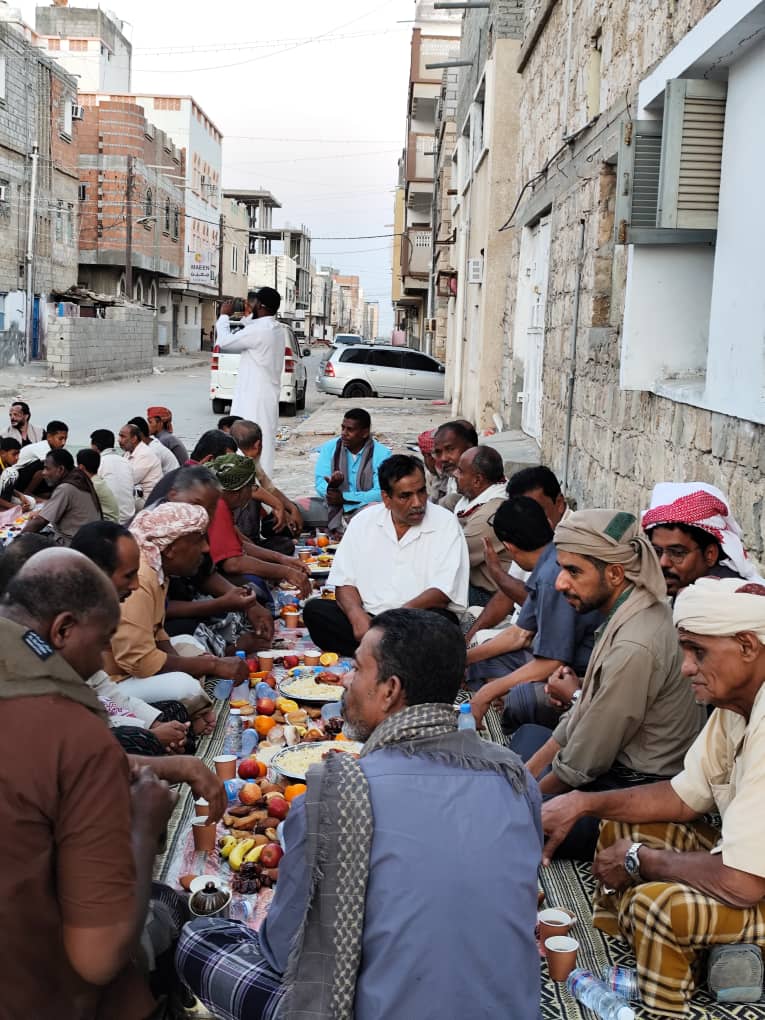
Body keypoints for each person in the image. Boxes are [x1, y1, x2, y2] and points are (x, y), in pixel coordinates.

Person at [177, 609, 543, 1020]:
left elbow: (283, 953)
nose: (347, 678)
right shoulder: (513, 775)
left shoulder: (336, 791)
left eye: (359, 668)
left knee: (199, 937)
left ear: (389, 690)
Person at [542, 578, 765, 1016]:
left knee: (656, 904)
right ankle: (714, 958)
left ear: (746, 646)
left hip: (751, 882)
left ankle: (665, 999)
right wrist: (583, 803)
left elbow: (743, 882)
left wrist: (640, 859)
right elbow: (684, 797)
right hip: (747, 867)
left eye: (697, 651)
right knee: (621, 827)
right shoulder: (735, 705)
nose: (684, 668)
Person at [0, 547, 177, 1019]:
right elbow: (97, 956)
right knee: (158, 928)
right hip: (35, 994)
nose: (102, 660)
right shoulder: (71, 732)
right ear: (61, 630)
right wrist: (143, 828)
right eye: (101, 643)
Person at [515, 509, 706, 860]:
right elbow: (581, 714)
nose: (560, 583)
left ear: (616, 573)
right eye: (561, 568)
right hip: (608, 767)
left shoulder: (636, 644)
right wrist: (523, 779)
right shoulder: (629, 610)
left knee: (511, 824)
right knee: (528, 739)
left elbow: (585, 759)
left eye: (573, 571)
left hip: (635, 788)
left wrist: (521, 802)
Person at [303, 454, 470, 655]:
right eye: (405, 496)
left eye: (421, 492)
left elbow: (442, 594)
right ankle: (388, 654)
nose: (418, 503)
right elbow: (344, 582)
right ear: (386, 498)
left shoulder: (445, 524)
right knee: (316, 612)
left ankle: (376, 652)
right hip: (369, 619)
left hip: (417, 618)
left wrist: (391, 621)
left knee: (440, 628)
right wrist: (357, 616)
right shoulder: (363, 522)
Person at [102, 502, 247, 731]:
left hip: (133, 667)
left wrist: (199, 664)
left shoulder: (158, 570)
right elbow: (139, 661)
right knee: (184, 687)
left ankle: (193, 706)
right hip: (113, 683)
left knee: (189, 644)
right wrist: (211, 665)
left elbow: (157, 631)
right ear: (169, 549)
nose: (206, 548)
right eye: (198, 540)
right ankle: (186, 712)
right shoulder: (141, 577)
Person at [467, 497, 600, 731]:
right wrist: (464, 658)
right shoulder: (548, 561)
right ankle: (504, 696)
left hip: (579, 672)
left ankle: (508, 702)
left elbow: (552, 662)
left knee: (522, 699)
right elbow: (519, 634)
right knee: (481, 660)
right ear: (549, 524)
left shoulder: (553, 576)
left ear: (509, 547)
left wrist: (488, 693)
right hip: (553, 658)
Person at [72, 521, 196, 757]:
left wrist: (155, 724)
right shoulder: (70, 624)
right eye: (128, 575)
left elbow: (103, 687)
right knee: (139, 739)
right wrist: (148, 732)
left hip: (103, 705)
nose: (136, 584)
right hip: (75, 732)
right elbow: (77, 717)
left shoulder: (93, 610)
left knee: (173, 714)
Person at [465, 465, 571, 645]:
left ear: (559, 503)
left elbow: (544, 608)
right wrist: (467, 641)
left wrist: (497, 573)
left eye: (534, 510)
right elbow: (506, 596)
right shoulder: (528, 539)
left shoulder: (573, 541)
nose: (527, 518)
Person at [205, 454, 310, 599]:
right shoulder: (219, 505)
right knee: (255, 586)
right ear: (240, 491)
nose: (252, 493)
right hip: (200, 577)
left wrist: (281, 559)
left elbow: (242, 543)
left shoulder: (223, 502)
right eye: (252, 487)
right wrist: (285, 572)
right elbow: (233, 563)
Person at [642, 481, 760, 597]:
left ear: (710, 555)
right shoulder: (690, 592)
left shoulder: (722, 600)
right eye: (656, 551)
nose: (663, 563)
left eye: (677, 553)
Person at [215, 288, 285, 475]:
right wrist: (248, 315)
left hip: (253, 398)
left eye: (253, 302)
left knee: (246, 442)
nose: (249, 305)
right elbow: (253, 327)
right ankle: (262, 487)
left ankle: (249, 489)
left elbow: (224, 342)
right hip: (265, 396)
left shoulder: (259, 330)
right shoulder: (275, 329)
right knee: (264, 444)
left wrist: (224, 316)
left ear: (261, 306)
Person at [313, 409, 391, 533]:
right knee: (296, 508)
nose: (344, 433)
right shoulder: (330, 447)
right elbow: (320, 484)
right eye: (343, 428)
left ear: (365, 433)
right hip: (331, 505)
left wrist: (344, 498)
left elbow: (381, 492)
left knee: (378, 513)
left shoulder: (382, 454)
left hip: (365, 506)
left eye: (350, 430)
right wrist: (331, 489)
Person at [453, 445, 511, 606]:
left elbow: (450, 559)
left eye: (460, 471)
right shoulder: (478, 498)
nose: (454, 474)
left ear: (477, 480)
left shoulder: (487, 517)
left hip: (491, 596)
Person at [230, 419, 304, 542]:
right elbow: (253, 490)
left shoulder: (250, 460)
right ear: (257, 445)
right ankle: (254, 541)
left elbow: (268, 487)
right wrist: (278, 506)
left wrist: (292, 508)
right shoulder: (236, 461)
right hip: (238, 530)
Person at [22, 448, 102, 545]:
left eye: (47, 468)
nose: (43, 473)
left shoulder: (66, 488)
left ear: (60, 469)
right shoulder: (79, 478)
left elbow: (40, 521)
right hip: (88, 540)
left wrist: (16, 541)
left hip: (73, 545)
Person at [91, 428, 136, 525]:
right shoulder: (126, 462)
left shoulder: (99, 463)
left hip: (111, 520)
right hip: (130, 518)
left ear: (95, 446)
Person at [430, 420, 478, 509]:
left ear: (470, 448)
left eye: (450, 449)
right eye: (438, 452)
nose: (443, 458)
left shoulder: (486, 485)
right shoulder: (451, 478)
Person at [16, 418, 69, 494]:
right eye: (60, 439)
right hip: (18, 479)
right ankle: (28, 493)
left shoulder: (57, 449)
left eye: (65, 439)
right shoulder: (42, 447)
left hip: (30, 477)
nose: (63, 442)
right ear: (49, 437)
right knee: (47, 465)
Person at [118, 423, 162, 507]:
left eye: (123, 437)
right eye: (119, 436)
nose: (119, 440)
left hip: (147, 500)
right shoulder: (128, 453)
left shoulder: (145, 454)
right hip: (137, 495)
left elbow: (129, 480)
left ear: (134, 439)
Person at [76, 449, 119, 524]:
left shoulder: (91, 485)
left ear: (81, 467)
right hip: (110, 523)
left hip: (105, 525)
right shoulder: (98, 481)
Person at [0, 437, 33, 513]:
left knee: (31, 502)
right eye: (14, 454)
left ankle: (7, 508)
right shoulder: (9, 470)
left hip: (4, 500)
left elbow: (4, 487)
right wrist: (15, 507)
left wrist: (20, 495)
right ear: (2, 453)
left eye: (18, 454)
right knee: (12, 472)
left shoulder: (6, 464)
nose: (17, 458)